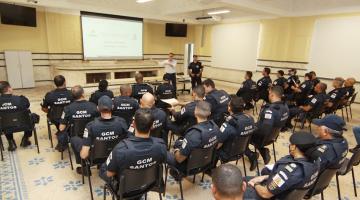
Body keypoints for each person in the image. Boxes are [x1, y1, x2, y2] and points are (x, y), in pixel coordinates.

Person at [99, 108, 167, 185]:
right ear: (152, 126)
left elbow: (109, 174)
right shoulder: (161, 145)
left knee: (103, 169)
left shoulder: (120, 149)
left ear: (133, 124)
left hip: (125, 191)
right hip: (149, 184)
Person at [244, 131, 320, 200]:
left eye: (291, 144)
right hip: (285, 191)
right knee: (244, 179)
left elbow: (265, 194)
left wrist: (255, 184)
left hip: (272, 195)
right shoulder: (316, 162)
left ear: (294, 147)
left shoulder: (289, 171)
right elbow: (287, 180)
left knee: (237, 187)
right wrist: (264, 177)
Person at [70, 96, 129, 175]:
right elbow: (128, 140)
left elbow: (84, 155)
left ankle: (85, 168)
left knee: (74, 139)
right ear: (112, 107)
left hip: (95, 158)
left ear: (98, 108)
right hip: (116, 155)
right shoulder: (122, 122)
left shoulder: (90, 126)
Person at [167, 101, 221, 177]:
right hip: (206, 163)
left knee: (163, 152)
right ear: (209, 113)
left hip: (189, 167)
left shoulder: (193, 134)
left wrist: (176, 148)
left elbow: (179, 159)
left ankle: (176, 173)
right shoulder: (216, 128)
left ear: (195, 112)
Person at [245, 86, 289, 171]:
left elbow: (264, 130)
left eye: (269, 93)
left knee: (241, 136)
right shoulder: (285, 107)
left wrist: (251, 129)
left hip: (263, 138)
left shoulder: (270, 110)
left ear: (272, 95)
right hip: (273, 136)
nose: (268, 95)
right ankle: (263, 151)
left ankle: (252, 155)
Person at [57, 85, 99, 152]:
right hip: (91, 136)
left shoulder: (67, 108)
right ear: (83, 94)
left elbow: (61, 128)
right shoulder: (93, 106)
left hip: (75, 136)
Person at [216, 97, 256, 162]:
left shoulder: (227, 125)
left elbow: (218, 145)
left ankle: (212, 168)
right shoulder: (251, 119)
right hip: (242, 151)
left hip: (227, 155)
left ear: (229, 108)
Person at [0, 81, 32, 151]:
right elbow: (27, 105)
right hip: (23, 125)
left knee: (4, 120)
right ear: (9, 89)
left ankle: (11, 143)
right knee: (31, 117)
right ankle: (25, 139)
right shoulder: (20, 99)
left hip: (5, 127)